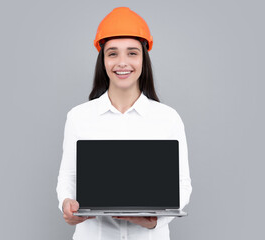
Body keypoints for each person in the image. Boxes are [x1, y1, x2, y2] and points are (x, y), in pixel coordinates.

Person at [56, 7, 192, 240]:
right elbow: (68, 178)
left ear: (143, 58)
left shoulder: (168, 118)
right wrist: (66, 204)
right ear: (103, 60)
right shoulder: (79, 117)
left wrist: (154, 221)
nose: (122, 63)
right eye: (112, 53)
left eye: (132, 53)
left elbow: (182, 185)